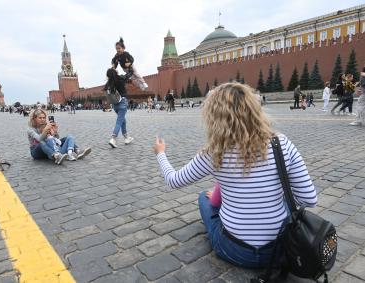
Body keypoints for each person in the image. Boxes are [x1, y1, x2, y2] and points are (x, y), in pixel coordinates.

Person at [154, 83, 317, 268]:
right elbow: (309, 199)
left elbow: (173, 180)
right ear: (254, 109)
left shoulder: (214, 153)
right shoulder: (281, 143)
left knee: (203, 198)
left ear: (214, 117)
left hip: (235, 249)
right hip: (280, 249)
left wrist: (160, 153)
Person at [104, 68, 134, 148]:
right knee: (119, 121)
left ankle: (126, 137)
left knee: (122, 120)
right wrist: (130, 67)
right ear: (115, 73)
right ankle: (113, 138)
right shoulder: (120, 79)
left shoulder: (108, 83)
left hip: (115, 105)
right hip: (122, 103)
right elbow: (130, 74)